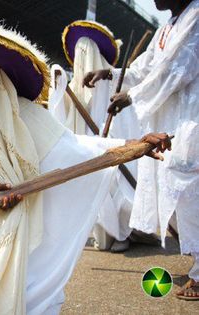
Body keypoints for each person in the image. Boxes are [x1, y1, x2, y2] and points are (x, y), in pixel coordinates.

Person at [0, 17, 171, 314]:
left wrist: (134, 146)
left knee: (30, 296)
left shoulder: (24, 113)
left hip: (27, 234)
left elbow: (75, 150)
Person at [84, 0, 198, 300]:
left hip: (191, 119)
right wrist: (110, 73)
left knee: (190, 194)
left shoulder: (196, 17)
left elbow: (178, 70)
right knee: (175, 192)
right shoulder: (168, 27)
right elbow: (144, 69)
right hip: (170, 122)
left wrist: (132, 96)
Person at [51, 20, 158, 253]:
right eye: (78, 52)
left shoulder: (112, 82)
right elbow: (66, 113)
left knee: (118, 187)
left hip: (114, 147)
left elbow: (128, 118)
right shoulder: (77, 84)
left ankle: (125, 232)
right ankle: (111, 234)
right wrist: (60, 85)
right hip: (92, 148)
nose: (82, 57)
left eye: (86, 52)